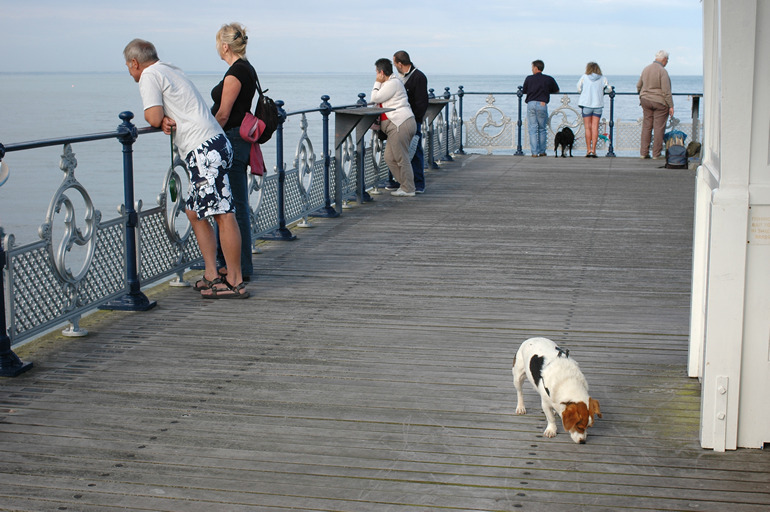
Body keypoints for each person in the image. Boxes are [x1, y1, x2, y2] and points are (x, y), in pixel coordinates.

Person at [123, 39, 248, 298]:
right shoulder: (170, 69)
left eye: (128, 66)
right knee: (193, 210)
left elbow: (153, 116)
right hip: (214, 143)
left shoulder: (148, 75)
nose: (130, 71)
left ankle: (235, 281)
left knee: (223, 213)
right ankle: (212, 273)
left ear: (135, 62)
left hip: (203, 150)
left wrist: (160, 120)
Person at [211, 23, 257, 282]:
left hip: (231, 139)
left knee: (233, 205)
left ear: (225, 46)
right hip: (240, 139)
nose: (217, 48)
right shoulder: (247, 69)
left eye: (218, 43)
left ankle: (235, 267)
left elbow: (223, 114)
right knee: (236, 203)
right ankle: (237, 265)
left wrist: (204, 135)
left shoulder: (235, 72)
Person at [371, 58, 417, 197]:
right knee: (389, 158)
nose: (376, 75)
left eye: (376, 72)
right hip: (395, 126)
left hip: (400, 124)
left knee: (401, 158)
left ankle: (409, 189)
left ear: (381, 72)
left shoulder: (392, 83)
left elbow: (375, 97)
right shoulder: (392, 83)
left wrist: (377, 82)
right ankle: (405, 185)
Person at [393, 51, 429, 194]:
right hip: (398, 120)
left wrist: (416, 119)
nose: (394, 66)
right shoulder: (397, 78)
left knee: (415, 151)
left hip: (412, 120)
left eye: (395, 63)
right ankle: (401, 181)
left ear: (400, 64)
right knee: (398, 151)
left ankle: (419, 183)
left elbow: (422, 102)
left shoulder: (418, 77)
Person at [637, 50, 674, 159]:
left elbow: (638, 85)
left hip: (645, 100)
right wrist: (671, 106)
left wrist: (642, 94)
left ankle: (643, 153)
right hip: (659, 102)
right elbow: (666, 91)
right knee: (659, 128)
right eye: (667, 60)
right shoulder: (662, 71)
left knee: (647, 126)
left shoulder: (646, 69)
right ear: (664, 60)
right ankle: (656, 154)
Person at [522, 60, 559, 157]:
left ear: (535, 68)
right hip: (542, 104)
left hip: (531, 103)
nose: (531, 69)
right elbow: (556, 90)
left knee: (533, 129)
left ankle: (534, 152)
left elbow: (524, 90)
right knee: (542, 129)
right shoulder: (548, 79)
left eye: (532, 67)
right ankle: (542, 151)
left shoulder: (529, 79)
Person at [576, 62, 610, 158]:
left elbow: (578, 88)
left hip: (586, 105)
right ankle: (594, 150)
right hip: (598, 105)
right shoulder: (603, 78)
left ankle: (588, 150)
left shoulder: (584, 77)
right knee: (595, 127)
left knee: (587, 127)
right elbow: (608, 89)